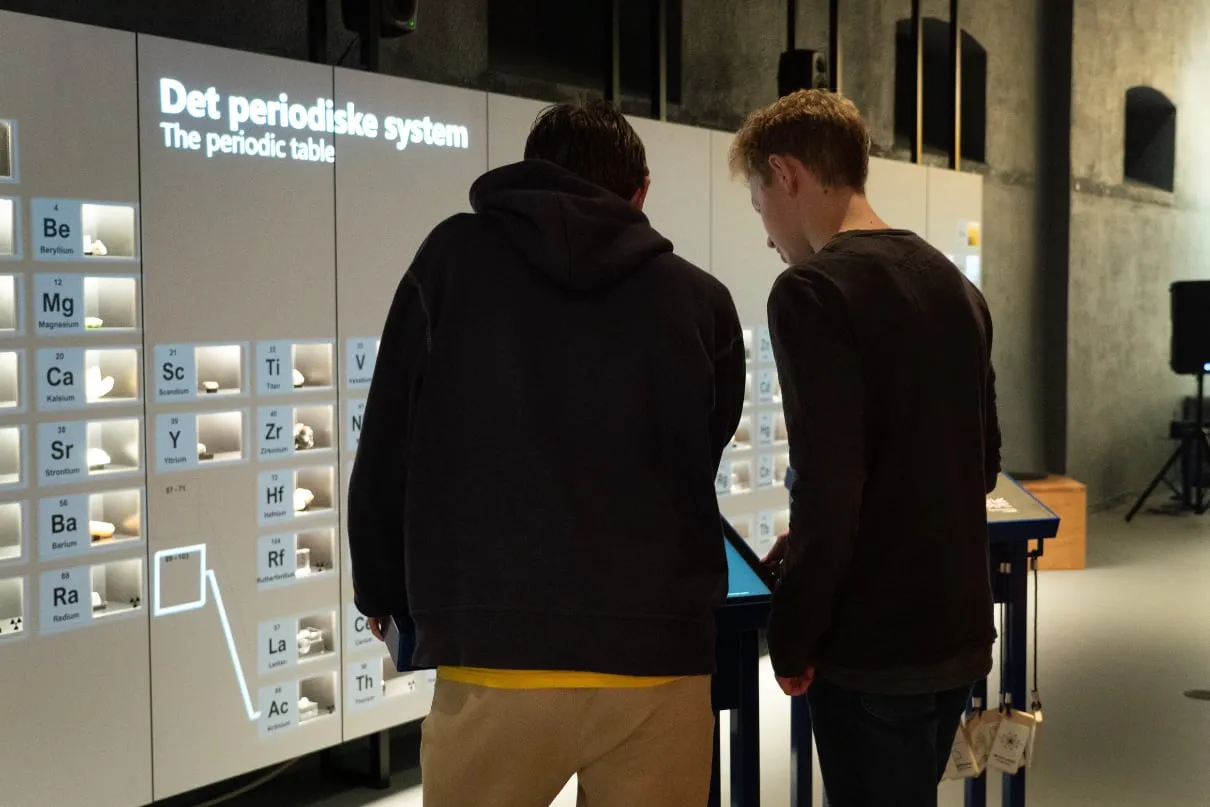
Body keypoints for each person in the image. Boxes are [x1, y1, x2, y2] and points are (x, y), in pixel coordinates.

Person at [347, 99, 746, 807]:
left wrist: (381, 588)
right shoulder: (700, 301)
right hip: (657, 663)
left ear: (530, 172)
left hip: (496, 655)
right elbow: (700, 448)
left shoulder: (450, 261)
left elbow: (388, 440)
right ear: (641, 191)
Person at [730, 89, 1001, 806]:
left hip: (874, 645)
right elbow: (983, 466)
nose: (766, 233)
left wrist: (791, 634)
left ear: (786, 174)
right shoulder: (956, 288)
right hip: (958, 633)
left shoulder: (810, 292)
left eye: (759, 204)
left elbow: (830, 487)